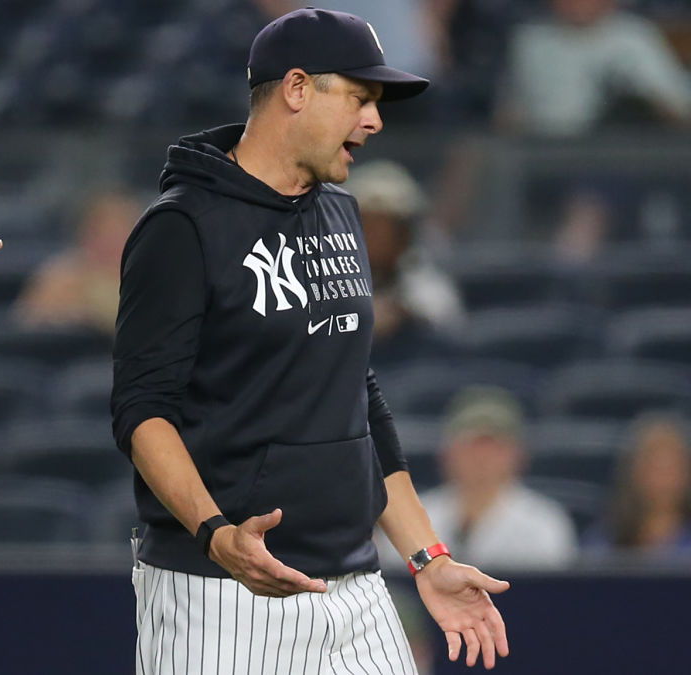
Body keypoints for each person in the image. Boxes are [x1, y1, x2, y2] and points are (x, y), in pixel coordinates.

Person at [110, 9, 509, 673]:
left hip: (357, 590)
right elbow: (142, 409)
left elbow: (358, 395)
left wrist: (428, 560)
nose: (375, 120)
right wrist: (214, 534)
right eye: (359, 97)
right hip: (221, 595)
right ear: (296, 89)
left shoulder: (341, 211)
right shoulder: (183, 226)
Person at [415, 387, 579, 570]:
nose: (482, 458)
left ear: (518, 455)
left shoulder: (544, 522)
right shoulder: (417, 515)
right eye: (472, 446)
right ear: (447, 453)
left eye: (495, 448)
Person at [497, 0, 691, 137]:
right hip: (545, 158)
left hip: (611, 156)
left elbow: (677, 108)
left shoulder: (634, 37)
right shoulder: (530, 42)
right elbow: (509, 116)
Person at [345, 160, 462, 368]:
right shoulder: (324, 272)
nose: (373, 237)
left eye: (384, 227)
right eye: (366, 224)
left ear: (405, 233)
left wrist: (401, 313)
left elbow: (447, 325)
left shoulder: (422, 278)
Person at [13, 190, 140, 336]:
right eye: (101, 232)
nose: (111, 242)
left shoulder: (154, 278)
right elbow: (27, 324)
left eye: (119, 232)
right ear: (84, 235)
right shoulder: (60, 277)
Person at [585, 412, 691, 561]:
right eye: (652, 465)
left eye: (670, 467)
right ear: (632, 471)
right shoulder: (603, 541)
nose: (661, 478)